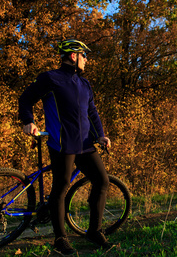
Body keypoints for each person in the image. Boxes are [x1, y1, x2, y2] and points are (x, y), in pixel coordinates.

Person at [18, 39, 112, 255]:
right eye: (84, 55)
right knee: (60, 189)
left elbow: (92, 112)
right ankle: (60, 239)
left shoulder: (84, 84)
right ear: (73, 56)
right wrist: (28, 121)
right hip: (62, 144)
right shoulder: (50, 78)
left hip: (86, 144)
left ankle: (94, 232)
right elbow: (25, 99)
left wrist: (101, 136)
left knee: (102, 180)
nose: (87, 60)